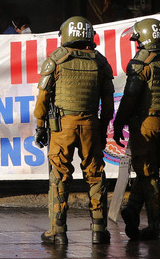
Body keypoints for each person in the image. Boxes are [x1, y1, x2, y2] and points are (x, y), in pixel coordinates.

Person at [33, 16, 115, 245]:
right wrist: (102, 127)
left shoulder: (56, 59)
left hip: (62, 127)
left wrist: (40, 126)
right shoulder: (100, 62)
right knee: (95, 174)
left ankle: (57, 231)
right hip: (91, 124)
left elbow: (43, 98)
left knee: (59, 175)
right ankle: (99, 230)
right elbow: (108, 102)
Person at [113, 18, 160, 241]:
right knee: (150, 170)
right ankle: (132, 207)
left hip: (147, 124)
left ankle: (157, 226)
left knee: (148, 174)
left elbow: (130, 97)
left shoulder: (142, 63)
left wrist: (119, 123)